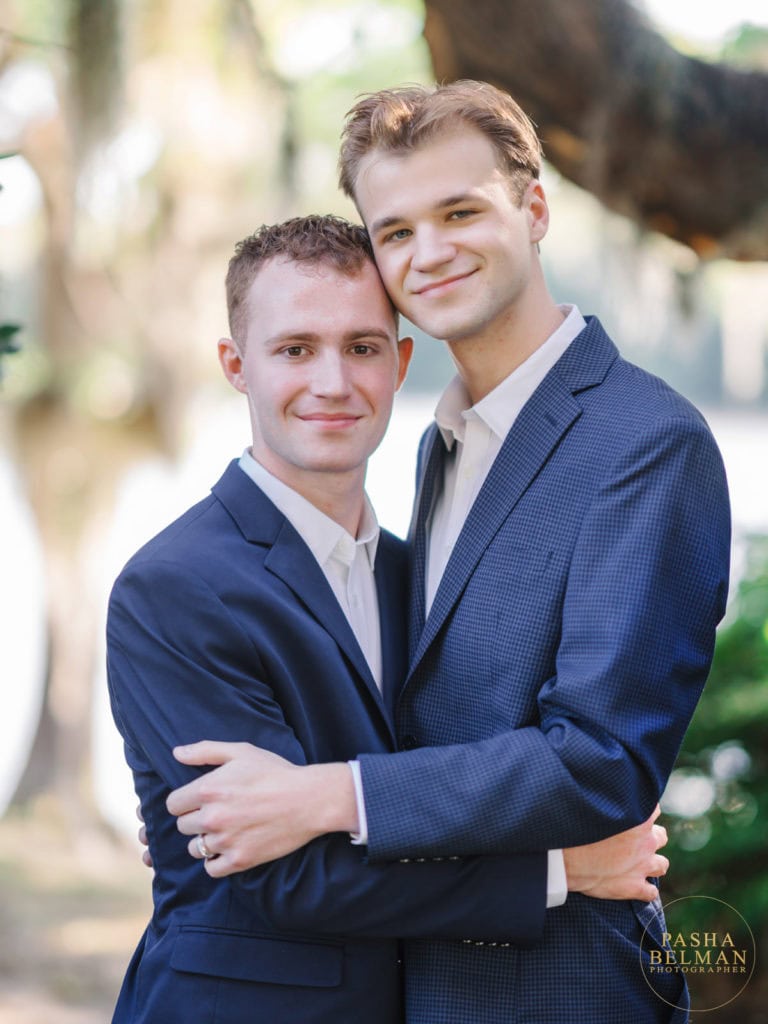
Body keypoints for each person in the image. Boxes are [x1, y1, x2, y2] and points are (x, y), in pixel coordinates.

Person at [167, 83, 731, 1023]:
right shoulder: (442, 444)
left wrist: (327, 798)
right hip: (413, 979)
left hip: (558, 988)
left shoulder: (644, 443)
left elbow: (598, 764)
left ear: (535, 208)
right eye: (395, 231)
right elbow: (423, 708)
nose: (429, 253)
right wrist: (224, 820)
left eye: (460, 211)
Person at [109, 214, 665, 1024]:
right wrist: (560, 871)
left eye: (363, 347)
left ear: (402, 363)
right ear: (237, 365)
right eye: (295, 349)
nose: (333, 382)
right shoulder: (173, 588)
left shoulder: (419, 572)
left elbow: (454, 784)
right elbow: (283, 877)